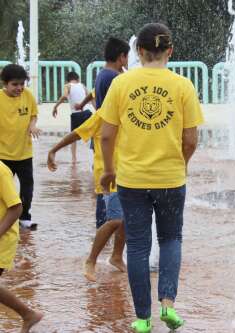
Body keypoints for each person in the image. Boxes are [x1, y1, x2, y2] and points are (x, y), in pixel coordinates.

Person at [99, 23, 204, 332]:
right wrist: (179, 164)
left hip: (132, 179)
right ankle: (168, 305)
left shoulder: (121, 83)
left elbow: (106, 135)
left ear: (138, 52)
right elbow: (191, 140)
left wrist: (108, 169)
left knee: (139, 247)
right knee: (171, 239)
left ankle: (143, 318)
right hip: (171, 178)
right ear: (169, 51)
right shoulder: (183, 86)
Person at [47, 110, 126, 282]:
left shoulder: (130, 112)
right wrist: (53, 150)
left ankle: (117, 256)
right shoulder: (103, 115)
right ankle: (91, 260)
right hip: (108, 175)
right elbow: (77, 133)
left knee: (126, 218)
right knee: (116, 220)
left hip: (129, 174)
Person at [77, 37, 129, 232]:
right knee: (109, 183)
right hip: (111, 137)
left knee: (103, 184)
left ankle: (104, 226)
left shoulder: (103, 74)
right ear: (121, 57)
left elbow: (92, 96)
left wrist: (82, 105)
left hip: (101, 133)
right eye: (127, 57)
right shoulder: (114, 78)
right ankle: (107, 227)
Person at [0, 161, 43, 332]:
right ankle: (28, 314)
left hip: (3, 237)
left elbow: (16, 208)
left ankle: (28, 314)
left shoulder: (1, 171)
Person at [0, 64, 41, 230]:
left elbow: (33, 114)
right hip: (3, 155)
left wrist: (32, 125)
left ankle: (24, 217)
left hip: (24, 154)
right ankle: (5, 219)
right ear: (5, 83)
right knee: (3, 191)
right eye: (15, 84)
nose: (19, 88)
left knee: (27, 189)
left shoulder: (28, 96)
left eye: (22, 84)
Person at [52, 71, 92, 162]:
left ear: (67, 80)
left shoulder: (67, 86)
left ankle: (74, 158)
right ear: (78, 79)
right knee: (94, 134)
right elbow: (91, 97)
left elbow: (64, 96)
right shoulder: (82, 85)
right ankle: (96, 154)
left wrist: (55, 106)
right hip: (87, 113)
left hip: (76, 115)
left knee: (73, 138)